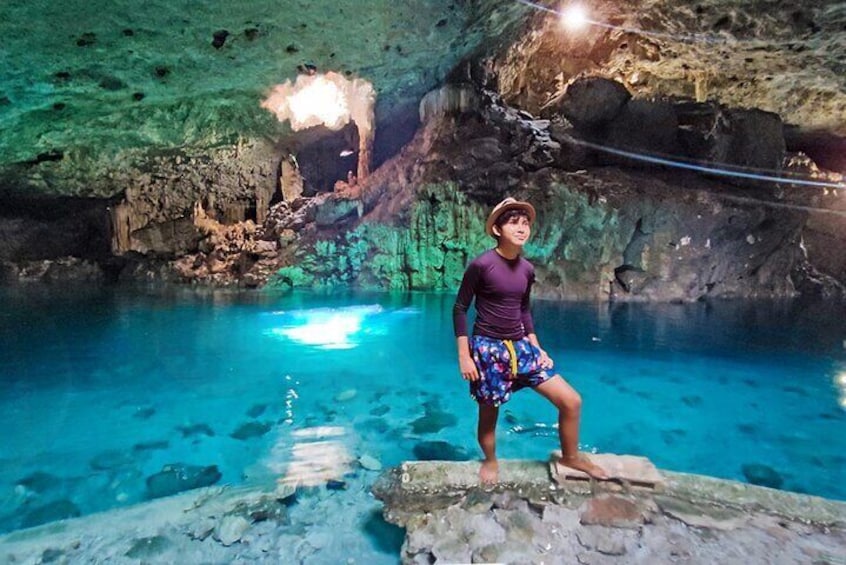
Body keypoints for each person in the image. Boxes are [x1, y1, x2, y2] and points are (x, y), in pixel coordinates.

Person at [453, 197, 608, 484]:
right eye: (514, 222)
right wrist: (465, 356)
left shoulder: (527, 269)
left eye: (526, 223)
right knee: (489, 415)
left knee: (571, 401)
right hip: (489, 349)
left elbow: (523, 310)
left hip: (522, 348)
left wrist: (537, 347)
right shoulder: (482, 265)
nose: (522, 228)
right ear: (497, 229)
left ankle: (570, 456)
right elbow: (460, 308)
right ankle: (489, 460)